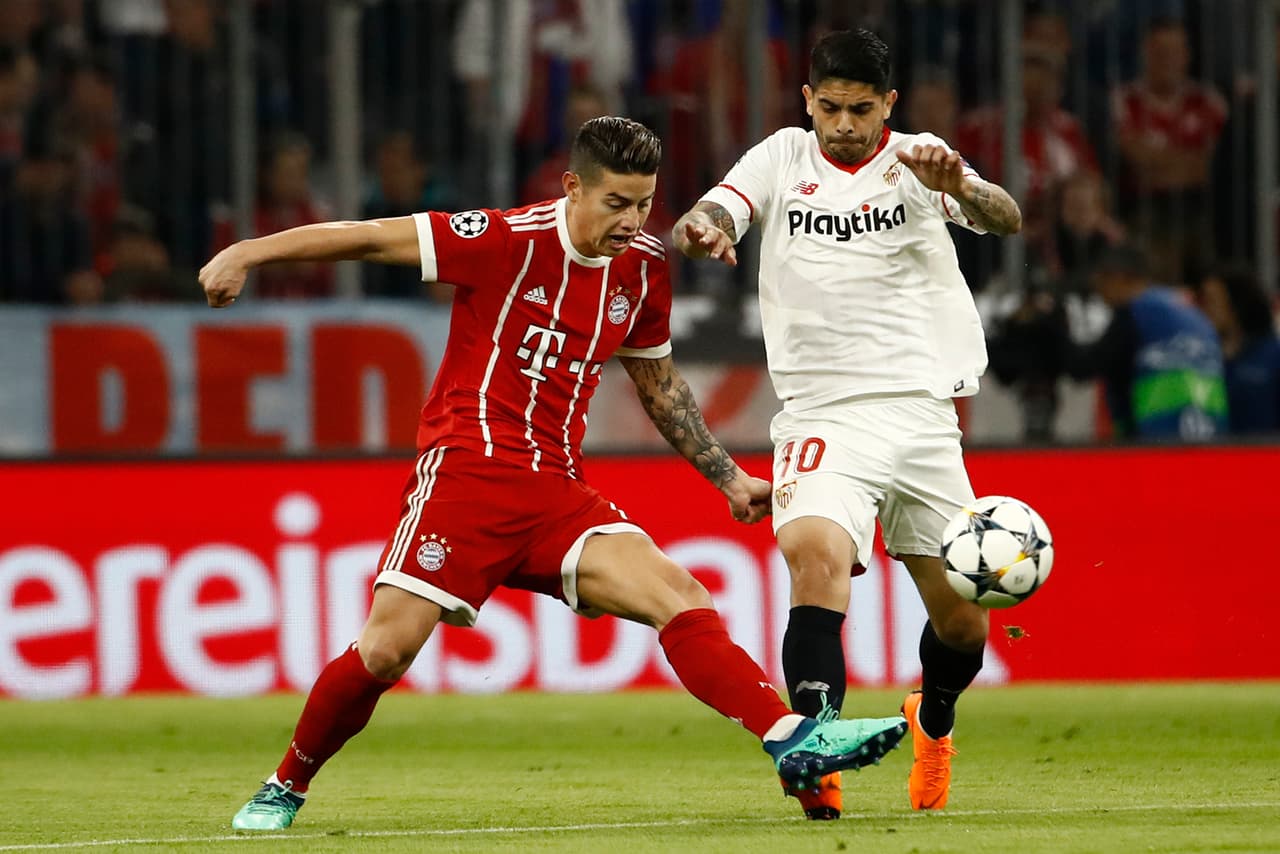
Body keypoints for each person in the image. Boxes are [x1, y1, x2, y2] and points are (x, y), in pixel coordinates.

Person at [199, 116, 907, 831]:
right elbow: (365, 236)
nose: (632, 221)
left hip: (557, 492)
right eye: (616, 203)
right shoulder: (503, 239)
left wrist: (727, 479)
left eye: (644, 203)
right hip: (467, 479)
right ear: (573, 187)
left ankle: (791, 740)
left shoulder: (643, 266)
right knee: (385, 650)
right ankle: (285, 785)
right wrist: (246, 254)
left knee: (680, 595)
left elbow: (659, 386)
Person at [672, 29, 1024, 819]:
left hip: (922, 412)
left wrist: (964, 187)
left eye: (861, 110)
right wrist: (706, 230)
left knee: (965, 624)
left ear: (888, 105)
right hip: (822, 412)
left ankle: (931, 721)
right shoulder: (782, 157)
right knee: (814, 556)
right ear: (808, 100)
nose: (843, 125)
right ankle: (816, 754)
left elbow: (1006, 220)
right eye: (829, 107)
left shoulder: (921, 158)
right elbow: (711, 212)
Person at [1056, 243, 1227, 441]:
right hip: (1212, 439)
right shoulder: (1194, 315)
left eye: (1102, 279)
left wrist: (1056, 324)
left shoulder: (1135, 314)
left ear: (1120, 277)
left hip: (1158, 442)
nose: (1097, 288)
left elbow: (1083, 367)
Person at [1192, 265, 1279, 435]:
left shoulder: (1272, 356)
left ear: (1237, 303)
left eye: (1212, 300)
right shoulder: (1199, 355)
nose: (1205, 309)